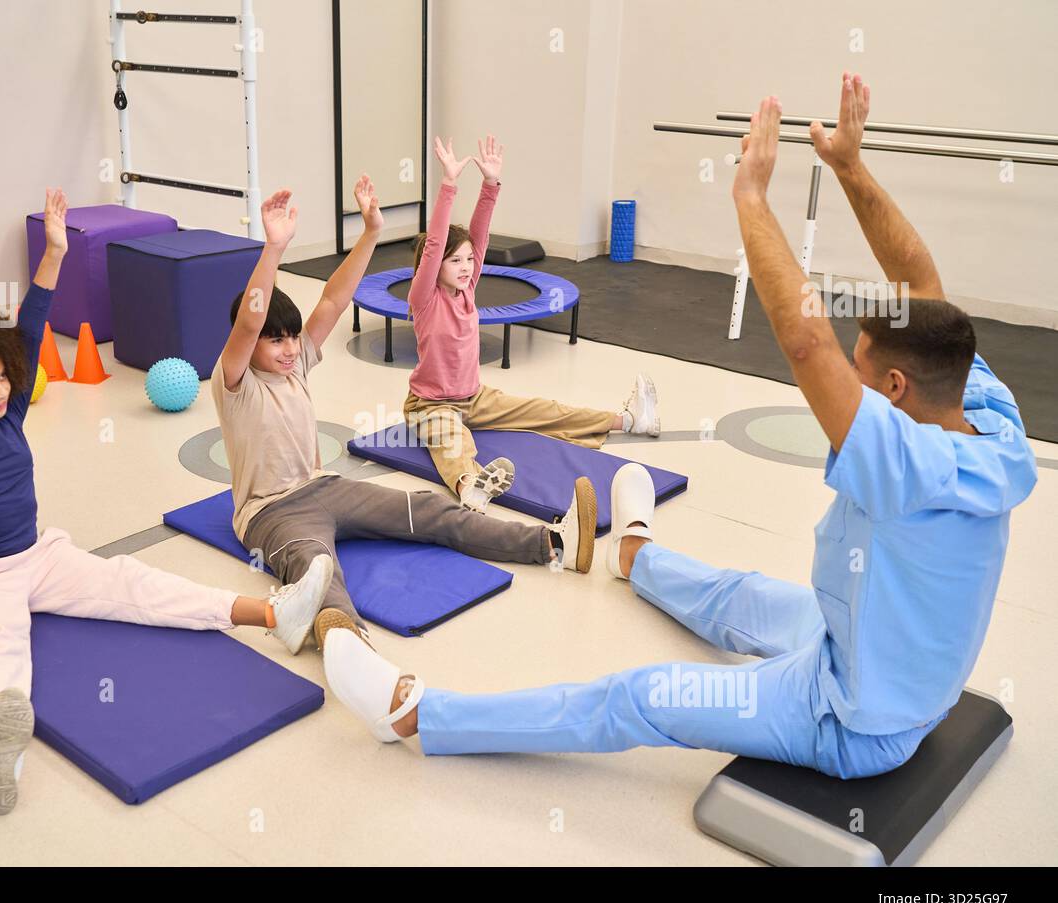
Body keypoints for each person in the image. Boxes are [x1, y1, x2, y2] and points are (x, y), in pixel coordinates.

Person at [323, 75, 1037, 780]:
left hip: (851, 712)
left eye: (862, 369)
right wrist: (848, 167)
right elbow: (922, 283)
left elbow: (807, 343)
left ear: (894, 386)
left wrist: (751, 197)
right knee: (737, 594)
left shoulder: (906, 458)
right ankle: (634, 553)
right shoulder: (985, 413)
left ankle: (417, 716)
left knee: (638, 697)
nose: (849, 377)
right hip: (865, 642)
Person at [0, 190, 332, 816]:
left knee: (131, 584)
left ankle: (274, 614)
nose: (2, 391)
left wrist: (56, 251)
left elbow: (32, 326)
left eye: (3, 379)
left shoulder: (9, 415)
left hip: (37, 557)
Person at [211, 177, 598, 650]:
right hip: (270, 513)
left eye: (294, 337)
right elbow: (252, 318)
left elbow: (333, 299)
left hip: (323, 486)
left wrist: (372, 231)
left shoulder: (297, 365)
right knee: (316, 565)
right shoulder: (235, 382)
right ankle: (345, 638)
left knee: (432, 509)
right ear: (250, 345)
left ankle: (552, 543)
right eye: (277, 340)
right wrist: (273, 248)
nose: (292, 349)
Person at [402, 134, 660, 513]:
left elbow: (480, 234)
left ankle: (630, 419)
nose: (465, 268)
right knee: (452, 441)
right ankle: (472, 486)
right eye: (454, 261)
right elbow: (437, 241)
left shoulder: (468, 288)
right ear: (434, 265)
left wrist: (490, 185)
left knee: (547, 410)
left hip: (475, 397)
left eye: (468, 261)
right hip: (430, 405)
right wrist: (449, 184)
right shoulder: (424, 297)